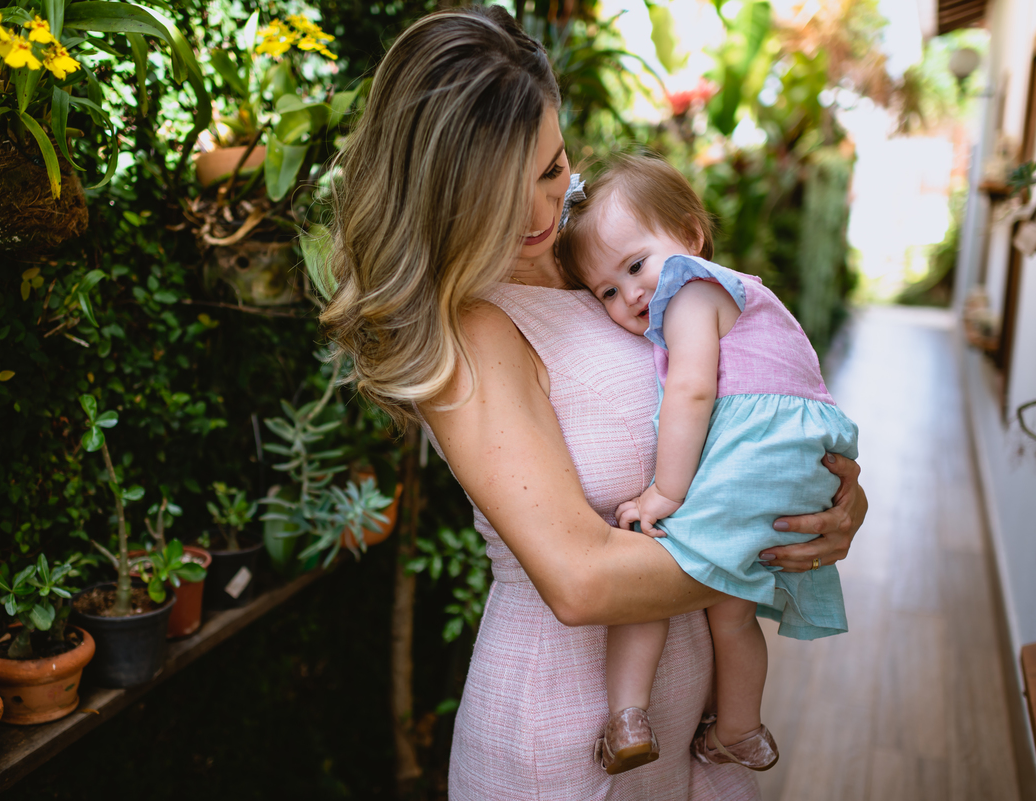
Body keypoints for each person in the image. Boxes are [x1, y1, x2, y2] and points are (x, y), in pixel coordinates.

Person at [320, 7, 867, 799]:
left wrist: (818, 496)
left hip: (686, 723)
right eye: (500, 195)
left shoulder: (601, 252)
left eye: (552, 168)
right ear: (443, 195)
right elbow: (580, 580)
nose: (542, 215)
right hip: (563, 737)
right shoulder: (471, 326)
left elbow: (735, 392)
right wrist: (767, 538)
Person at [555, 153, 858, 776]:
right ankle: (740, 730)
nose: (631, 294)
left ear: (691, 235)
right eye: (607, 291)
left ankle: (628, 715)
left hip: (757, 455)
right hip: (799, 460)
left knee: (648, 565)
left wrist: (666, 493)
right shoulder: (742, 294)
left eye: (636, 265)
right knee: (733, 614)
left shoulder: (690, 289)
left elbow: (692, 391)